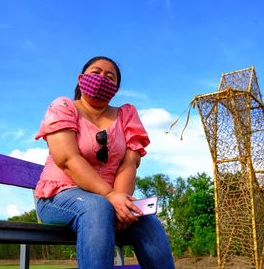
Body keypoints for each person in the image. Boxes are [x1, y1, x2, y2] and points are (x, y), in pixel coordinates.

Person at [35, 56, 175, 269]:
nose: (102, 78)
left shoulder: (126, 115)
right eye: (95, 73)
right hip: (59, 196)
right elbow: (68, 160)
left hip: (109, 200)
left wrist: (121, 202)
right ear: (81, 78)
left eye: (110, 77)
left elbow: (129, 163)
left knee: (147, 221)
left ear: (116, 89)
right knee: (97, 206)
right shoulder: (63, 106)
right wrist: (110, 197)